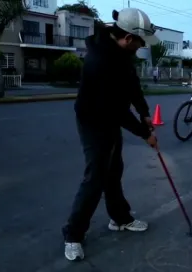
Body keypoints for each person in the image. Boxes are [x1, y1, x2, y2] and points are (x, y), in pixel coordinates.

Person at [62, 8, 160, 261]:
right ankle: (73, 234)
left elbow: (131, 84)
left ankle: (120, 219)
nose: (141, 47)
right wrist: (144, 133)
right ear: (128, 38)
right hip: (93, 120)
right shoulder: (101, 62)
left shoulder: (121, 53)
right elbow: (117, 110)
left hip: (109, 116)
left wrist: (144, 112)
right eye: (139, 42)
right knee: (95, 177)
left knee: (113, 170)